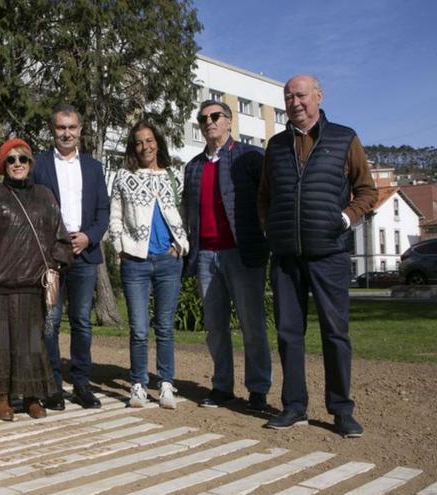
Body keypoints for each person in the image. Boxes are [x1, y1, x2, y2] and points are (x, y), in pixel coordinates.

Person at [258, 75, 377, 437]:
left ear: (319, 97)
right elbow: (264, 196)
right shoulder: (276, 145)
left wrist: (344, 218)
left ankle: (341, 410)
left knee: (335, 333)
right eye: (289, 97)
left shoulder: (344, 138)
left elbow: (367, 191)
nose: (295, 102)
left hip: (329, 255)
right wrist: (269, 229)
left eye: (301, 95)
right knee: (289, 334)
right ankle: (294, 407)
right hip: (286, 258)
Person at [0, 138, 73, 421]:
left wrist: (52, 266)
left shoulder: (45, 196)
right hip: (1, 287)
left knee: (32, 346)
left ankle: (33, 397)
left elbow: (62, 239)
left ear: (30, 163)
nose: (17, 165)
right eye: (11, 160)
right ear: (3, 165)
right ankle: (1, 399)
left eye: (22, 159)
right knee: (1, 345)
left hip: (34, 287)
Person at [182, 100, 272, 411]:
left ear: (229, 121)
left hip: (242, 253)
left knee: (252, 324)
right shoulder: (193, 167)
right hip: (206, 256)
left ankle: (258, 389)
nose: (209, 122)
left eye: (215, 116)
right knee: (215, 327)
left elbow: (269, 198)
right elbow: (187, 213)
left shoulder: (250, 157)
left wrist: (267, 236)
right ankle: (222, 386)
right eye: (203, 118)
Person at [33, 104, 110, 410]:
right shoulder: (39, 165)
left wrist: (89, 236)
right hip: (50, 257)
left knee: (81, 322)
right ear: (53, 131)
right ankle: (52, 385)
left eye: (72, 127)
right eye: (61, 128)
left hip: (84, 255)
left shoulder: (93, 167)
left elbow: (103, 211)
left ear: (80, 130)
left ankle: (81, 384)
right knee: (50, 322)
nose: (66, 133)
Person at [109, 121, 188, 409]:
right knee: (139, 329)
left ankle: (166, 383)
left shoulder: (172, 175)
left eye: (150, 140)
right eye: (139, 142)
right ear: (133, 147)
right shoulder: (123, 176)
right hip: (135, 262)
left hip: (168, 261)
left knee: (165, 327)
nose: (145, 146)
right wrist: (119, 248)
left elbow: (182, 211)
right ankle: (139, 384)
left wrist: (181, 242)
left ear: (158, 142)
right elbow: (115, 214)